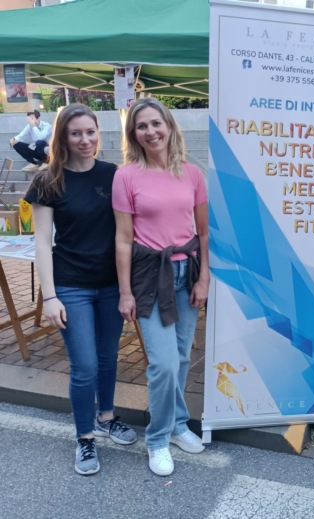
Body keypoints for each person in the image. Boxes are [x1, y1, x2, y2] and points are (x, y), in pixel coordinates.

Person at [26, 103, 137, 476]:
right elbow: (43, 243)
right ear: (63, 137)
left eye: (91, 132)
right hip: (71, 285)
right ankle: (85, 436)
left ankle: (106, 416)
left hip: (110, 284)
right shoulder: (48, 180)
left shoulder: (113, 175)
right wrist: (50, 296)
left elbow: (127, 231)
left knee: (107, 357)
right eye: (76, 133)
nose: (85, 140)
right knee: (85, 365)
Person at [113, 98, 209, 477]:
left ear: (169, 126)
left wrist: (204, 278)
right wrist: (125, 292)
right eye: (142, 126)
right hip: (150, 276)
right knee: (164, 364)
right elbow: (123, 239)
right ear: (133, 134)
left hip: (187, 271)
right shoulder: (126, 176)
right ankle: (157, 438)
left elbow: (203, 232)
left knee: (182, 357)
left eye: (156, 123)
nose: (151, 131)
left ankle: (178, 424)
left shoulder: (192, 174)